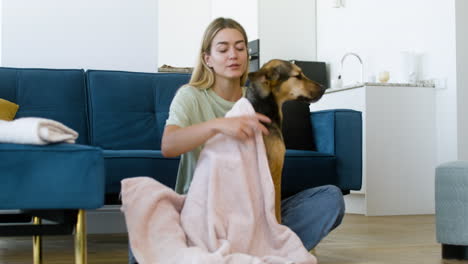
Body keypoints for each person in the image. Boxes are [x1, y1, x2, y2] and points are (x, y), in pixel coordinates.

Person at [129, 17, 344, 264]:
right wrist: (219, 125)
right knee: (144, 232)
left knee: (329, 199)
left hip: (252, 215)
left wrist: (270, 225)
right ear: (207, 59)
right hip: (202, 212)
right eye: (223, 49)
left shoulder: (260, 101)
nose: (233, 55)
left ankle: (256, 248)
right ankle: (245, 252)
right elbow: (169, 145)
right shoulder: (190, 96)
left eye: (240, 48)